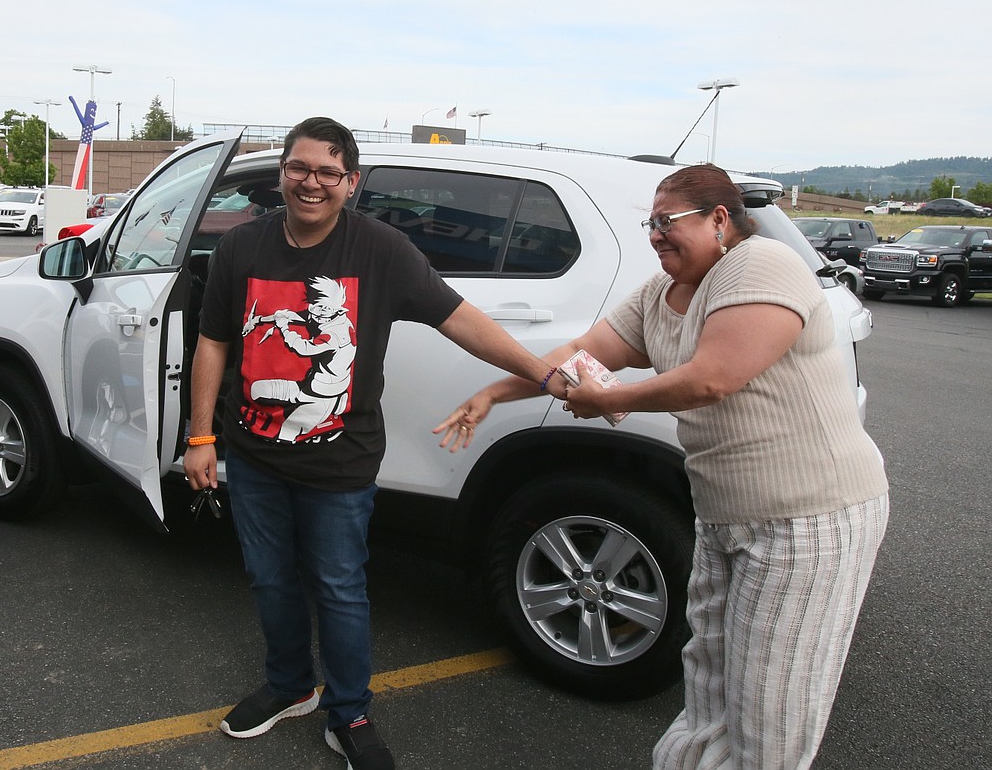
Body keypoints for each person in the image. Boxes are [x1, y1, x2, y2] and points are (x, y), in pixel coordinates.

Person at [435, 164, 889, 769]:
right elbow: (578, 357)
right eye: (650, 223)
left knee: (770, 705)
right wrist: (495, 391)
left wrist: (610, 401)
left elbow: (712, 379)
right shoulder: (660, 294)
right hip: (727, 513)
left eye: (666, 222)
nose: (654, 235)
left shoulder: (761, 266)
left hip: (809, 516)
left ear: (720, 219)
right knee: (709, 686)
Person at [184, 117, 563, 770]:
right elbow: (214, 340)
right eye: (300, 168)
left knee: (338, 585)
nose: (312, 182)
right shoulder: (241, 249)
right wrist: (200, 436)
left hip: (340, 459)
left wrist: (542, 372)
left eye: (328, 172)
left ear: (349, 182)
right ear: (283, 173)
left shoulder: (380, 250)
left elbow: (459, 317)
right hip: (254, 455)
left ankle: (350, 709)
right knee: (269, 578)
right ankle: (289, 683)